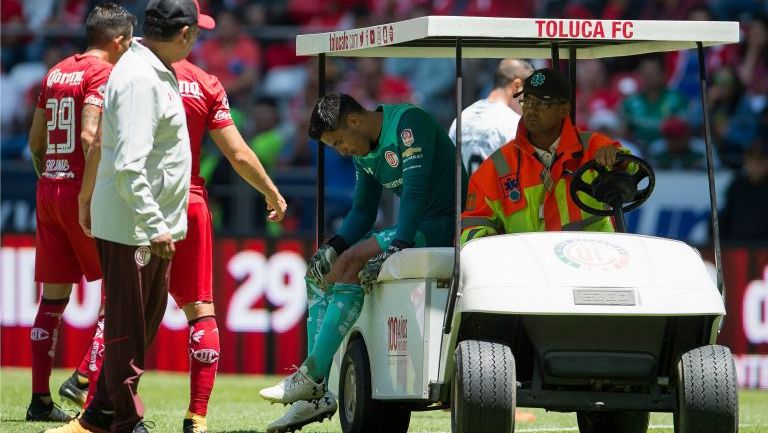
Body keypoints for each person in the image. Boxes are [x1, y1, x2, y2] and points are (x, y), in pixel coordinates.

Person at [63, 55, 288, 433]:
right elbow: (237, 153)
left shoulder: (130, 74)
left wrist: (86, 198)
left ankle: (92, 410)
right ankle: (196, 418)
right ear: (186, 35)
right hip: (190, 203)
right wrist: (271, 192)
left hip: (138, 202)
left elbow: (99, 141)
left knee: (123, 312)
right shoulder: (206, 83)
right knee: (201, 310)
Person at [43, 1, 212, 432]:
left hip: (147, 223)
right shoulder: (140, 78)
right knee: (127, 327)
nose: (197, 39)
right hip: (136, 226)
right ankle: (125, 421)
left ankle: (101, 413)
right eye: (196, 31)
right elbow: (130, 166)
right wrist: (155, 225)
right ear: (184, 34)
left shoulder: (151, 68)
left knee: (139, 324)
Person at [258, 93, 467, 433]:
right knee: (319, 274)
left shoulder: (408, 123)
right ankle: (313, 396)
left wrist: (396, 245)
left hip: (447, 225)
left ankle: (312, 377)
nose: (341, 150)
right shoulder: (365, 149)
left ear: (354, 121)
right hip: (415, 227)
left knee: (353, 260)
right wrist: (333, 246)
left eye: (339, 141)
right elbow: (364, 211)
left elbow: (414, 192)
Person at [24, 3, 135, 422]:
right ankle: (85, 381)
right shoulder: (102, 74)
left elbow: (35, 141)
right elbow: (91, 137)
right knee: (118, 290)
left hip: (48, 187)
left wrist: (50, 179)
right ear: (119, 41)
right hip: (80, 189)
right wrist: (88, 193)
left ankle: (39, 401)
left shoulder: (55, 71)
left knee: (51, 301)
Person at [461, 68, 632, 244]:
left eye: (543, 103)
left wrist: (618, 162)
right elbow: (472, 226)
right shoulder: (498, 165)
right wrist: (495, 247)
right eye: (527, 102)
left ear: (564, 108)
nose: (531, 110)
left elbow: (634, 168)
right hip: (528, 269)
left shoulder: (593, 147)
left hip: (597, 263)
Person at [448, 59, 533, 174]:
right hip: (493, 190)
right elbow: (510, 178)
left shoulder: (462, 118)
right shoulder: (513, 124)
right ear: (517, 85)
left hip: (464, 191)